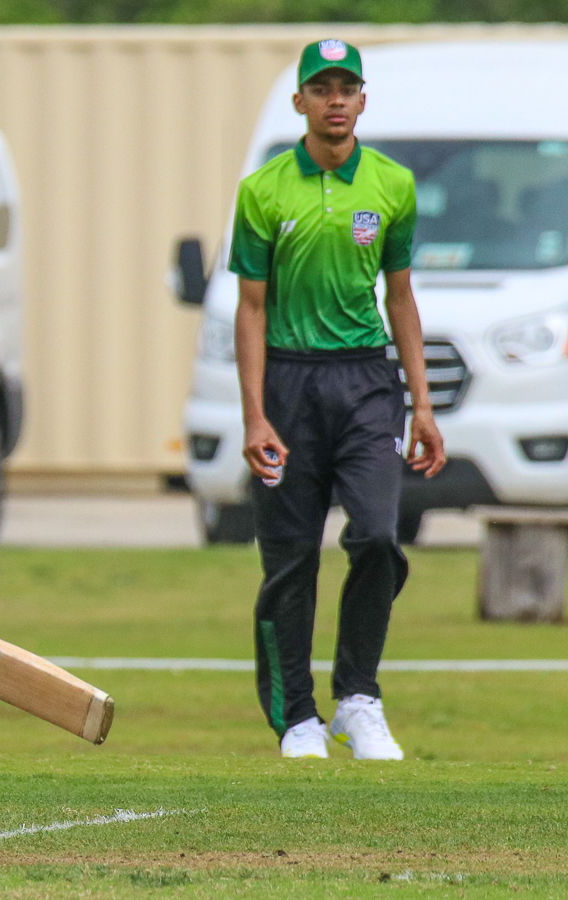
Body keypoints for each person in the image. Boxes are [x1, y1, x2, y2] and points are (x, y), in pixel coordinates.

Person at [229, 39, 446, 761]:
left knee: (379, 536)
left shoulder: (392, 185)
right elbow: (251, 309)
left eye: (346, 87)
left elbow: (403, 296)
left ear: (362, 98)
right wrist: (255, 413)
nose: (335, 99)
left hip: (365, 382)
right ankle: (297, 717)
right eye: (320, 88)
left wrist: (422, 403)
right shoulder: (263, 190)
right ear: (299, 102)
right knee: (291, 559)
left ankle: (358, 698)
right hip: (289, 383)